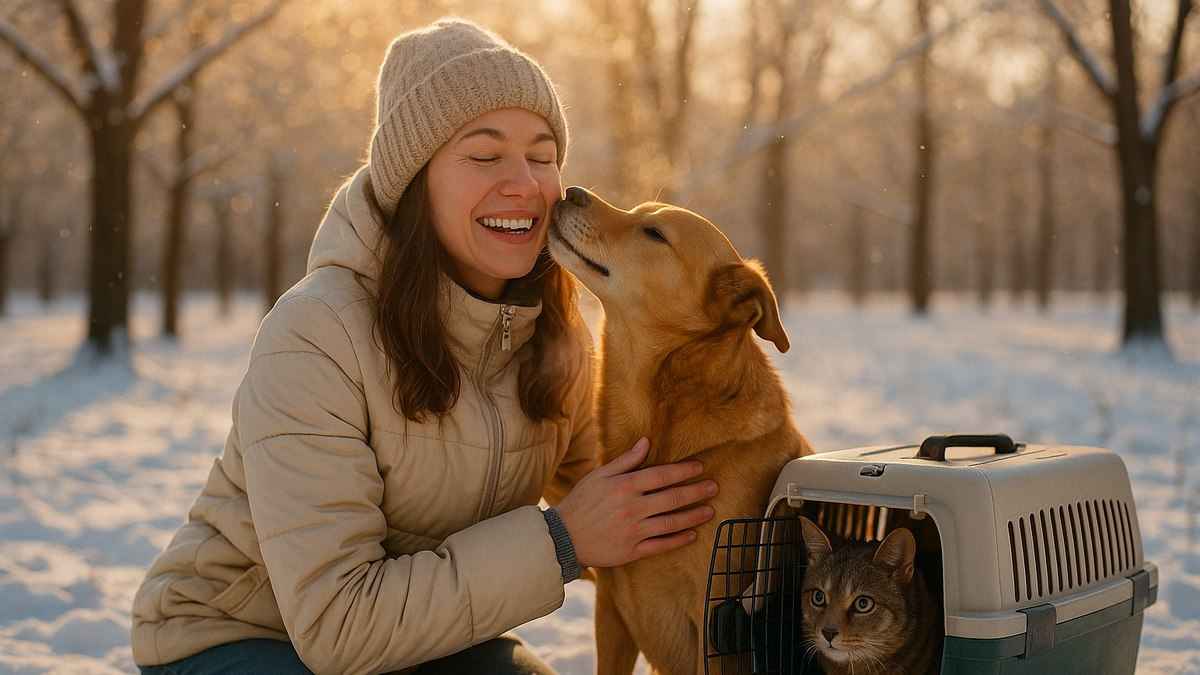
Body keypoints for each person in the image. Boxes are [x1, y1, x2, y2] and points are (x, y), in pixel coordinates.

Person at [130, 18, 718, 675]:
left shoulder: (552, 333)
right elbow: (338, 626)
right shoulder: (315, 336)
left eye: (543, 154)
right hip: (240, 635)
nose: (524, 182)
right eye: (485, 155)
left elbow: (627, 502)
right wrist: (561, 539)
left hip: (423, 637)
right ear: (416, 180)